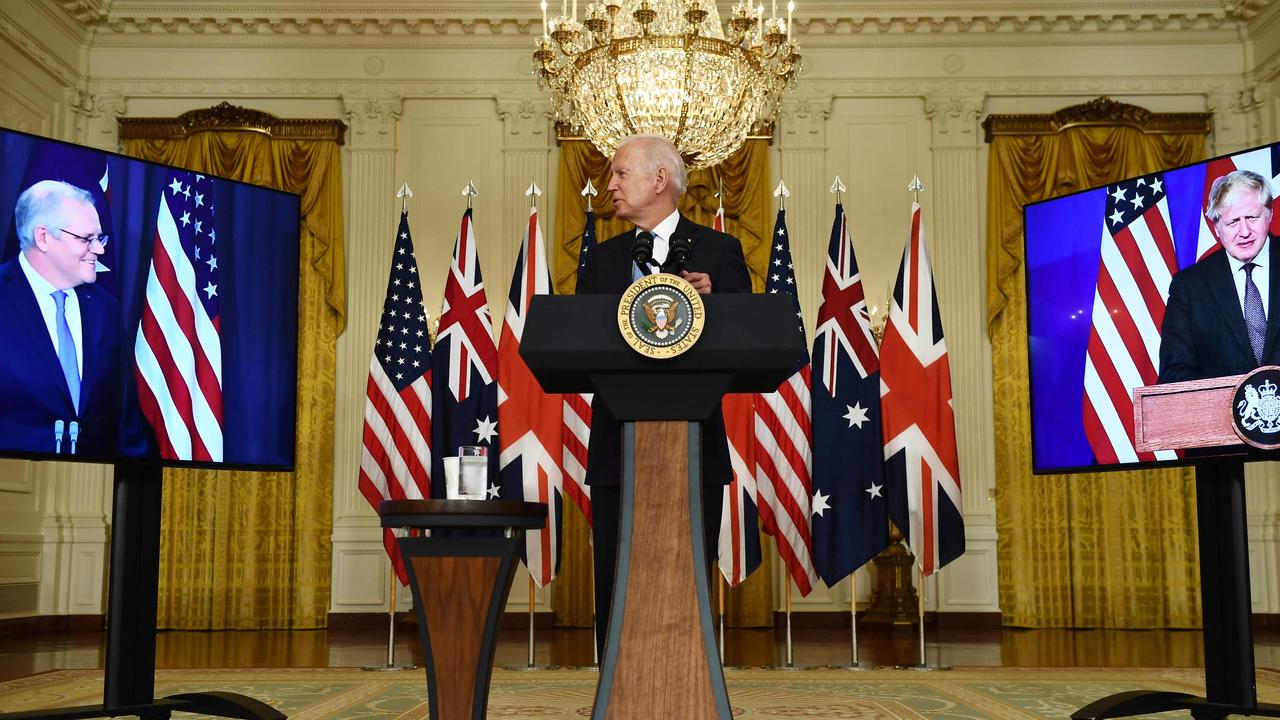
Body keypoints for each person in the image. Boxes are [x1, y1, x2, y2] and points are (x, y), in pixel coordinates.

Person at [576, 134, 751, 657]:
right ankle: (615, 685)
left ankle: (692, 682)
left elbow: (751, 338)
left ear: (658, 180)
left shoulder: (720, 252)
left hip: (695, 445)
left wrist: (714, 307)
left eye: (620, 173)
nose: (609, 185)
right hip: (617, 447)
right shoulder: (603, 259)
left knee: (688, 570)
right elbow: (578, 341)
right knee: (615, 572)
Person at [0, 180, 125, 456]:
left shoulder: (105, 309)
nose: (99, 250)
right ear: (43, 237)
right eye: (86, 239)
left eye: (100, 239)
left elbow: (123, 417)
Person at [1159, 169, 1277, 384]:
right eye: (1232, 222)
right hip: (1223, 416)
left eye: (1251, 217)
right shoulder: (1188, 287)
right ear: (1216, 228)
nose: (1244, 231)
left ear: (1270, 213)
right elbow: (1175, 374)